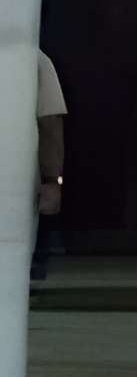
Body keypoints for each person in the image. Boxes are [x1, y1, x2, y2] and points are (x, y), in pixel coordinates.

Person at [31, 53, 62, 289]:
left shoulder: (36, 61)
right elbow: (51, 125)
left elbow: (51, 125)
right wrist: (54, 182)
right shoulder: (36, 61)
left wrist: (54, 181)